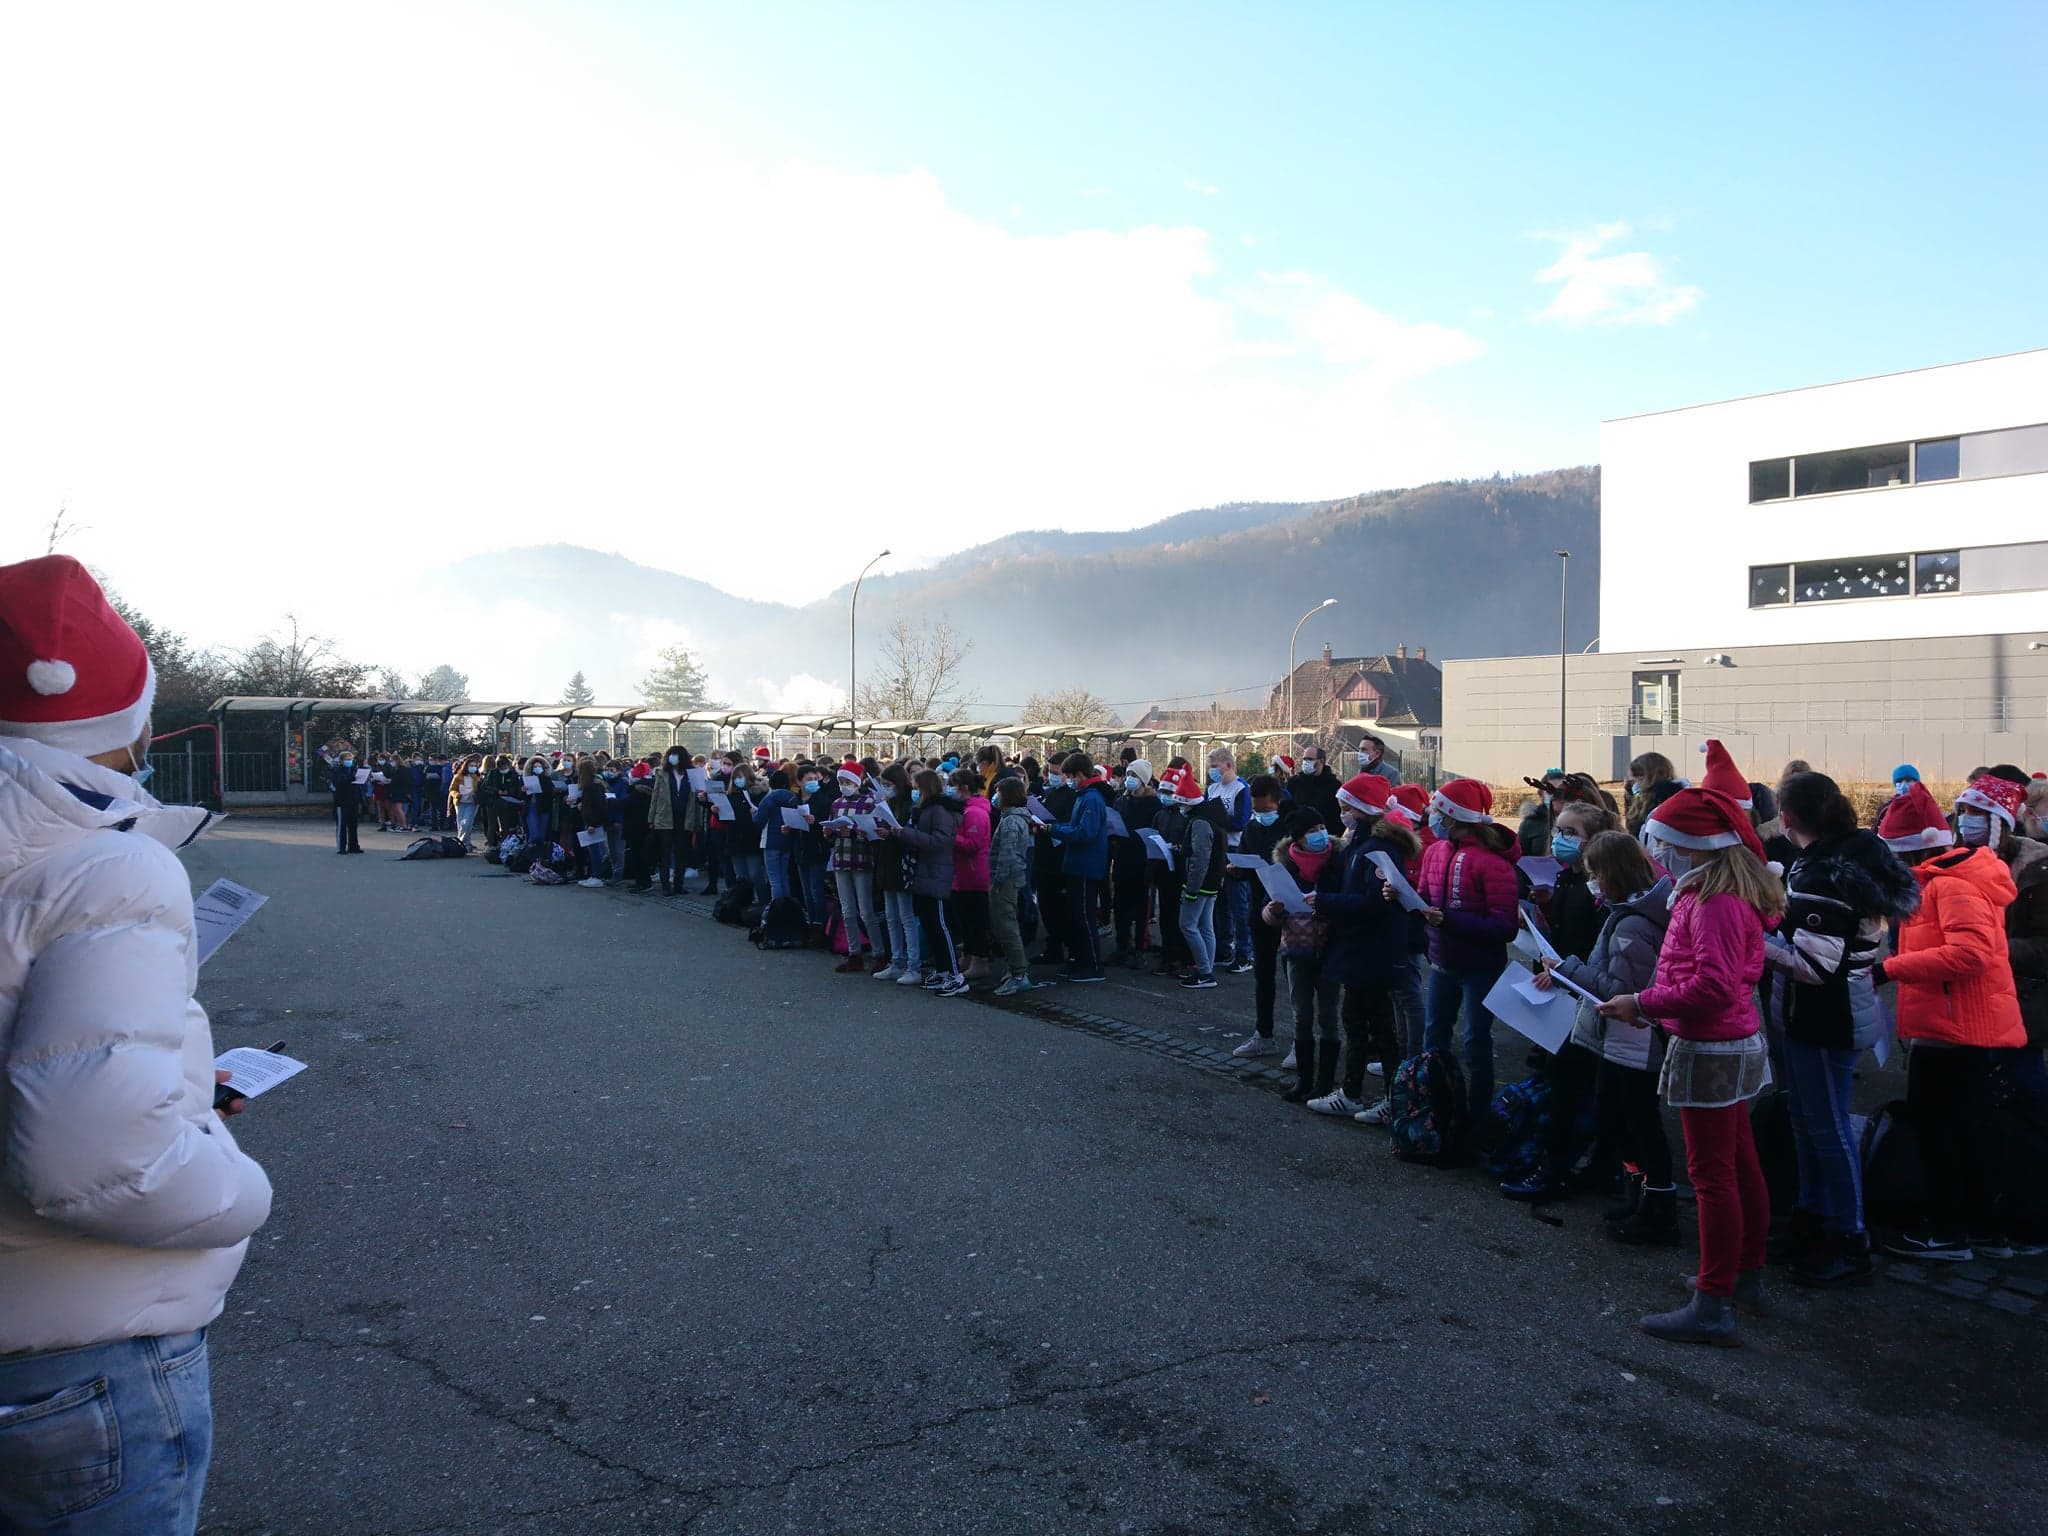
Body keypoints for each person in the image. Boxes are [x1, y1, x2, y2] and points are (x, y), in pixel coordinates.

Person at [0, 554, 274, 1533]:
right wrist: (239, 1186)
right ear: (129, 725)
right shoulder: (112, 869)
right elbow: (100, 1160)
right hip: (79, 1349)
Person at [1597, 785, 1781, 1345]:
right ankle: (1742, 1275)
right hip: (1732, 1041)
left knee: (1712, 1176)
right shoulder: (1720, 892)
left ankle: (1713, 1300)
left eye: (1664, 842)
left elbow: (1712, 986)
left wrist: (1642, 1003)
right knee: (1739, 1164)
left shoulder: (1713, 902)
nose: (1657, 852)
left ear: (1693, 845)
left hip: (1711, 1047)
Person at [1754, 770, 1916, 1284]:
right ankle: (1811, 1217)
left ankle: (1849, 1237)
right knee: (1806, 1120)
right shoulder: (1844, 856)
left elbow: (1815, 966)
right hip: (1817, 1010)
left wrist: (1753, 941)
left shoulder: (1825, 873)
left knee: (1828, 1129)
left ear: (1788, 816)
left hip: (1826, 1015)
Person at [1876, 780, 2027, 1261]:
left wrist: (1889, 969)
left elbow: (1970, 954)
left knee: (1940, 1130)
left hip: (1952, 1028)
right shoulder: (1949, 878)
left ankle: (1947, 1232)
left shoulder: (1950, 884)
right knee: (1966, 1128)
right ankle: (1981, 1229)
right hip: (1956, 1024)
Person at [1540, 830, 1679, 1243]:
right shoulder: (1627, 914)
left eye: (1595, 874)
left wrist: (1568, 969)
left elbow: (1620, 989)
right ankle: (1637, 1193)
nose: (1592, 882)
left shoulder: (1632, 925)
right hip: (1620, 1040)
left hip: (1633, 1041)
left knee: (1639, 1123)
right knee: (1619, 1118)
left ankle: (1657, 1203)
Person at [1313, 776, 1426, 1122]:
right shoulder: (1360, 844)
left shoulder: (1378, 848)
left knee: (1378, 1026)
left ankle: (1390, 1098)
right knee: (1358, 1020)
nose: (1342, 814)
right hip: (1359, 947)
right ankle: (1353, 1091)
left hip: (1372, 950)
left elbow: (1373, 902)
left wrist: (1325, 901)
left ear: (1361, 809)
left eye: (1346, 808)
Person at [1416, 779, 1521, 1123]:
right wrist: (1401, 897)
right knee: (1434, 1038)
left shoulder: (1492, 863)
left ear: (1452, 816)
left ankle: (1477, 1117)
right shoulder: (1435, 852)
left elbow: (1504, 926)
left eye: (1436, 810)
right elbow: (1424, 897)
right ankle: (1435, 1108)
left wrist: (1448, 920)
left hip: (1480, 967)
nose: (1430, 815)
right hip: (1441, 962)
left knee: (1476, 1042)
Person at [892, 768, 968, 996]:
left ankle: (955, 974)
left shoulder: (940, 810)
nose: (914, 791)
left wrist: (905, 833)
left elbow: (940, 842)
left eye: (917, 787)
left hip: (936, 872)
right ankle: (943, 970)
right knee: (928, 923)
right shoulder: (924, 809)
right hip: (923, 872)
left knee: (939, 925)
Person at [1229, 775, 1288, 1058]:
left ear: (1277, 802)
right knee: (1263, 975)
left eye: (1266, 810)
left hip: (1288, 909)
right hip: (1259, 907)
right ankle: (1263, 1034)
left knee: (1296, 979)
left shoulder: (1289, 827)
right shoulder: (1252, 827)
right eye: (1256, 810)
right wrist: (1237, 870)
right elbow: (1245, 859)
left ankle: (1301, 1043)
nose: (1261, 815)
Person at [1043, 752, 1112, 983]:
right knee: (1076, 915)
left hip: (1085, 865)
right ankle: (1081, 961)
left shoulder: (1091, 798)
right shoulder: (1084, 796)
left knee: (1084, 916)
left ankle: (1093, 965)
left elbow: (1084, 832)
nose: (1069, 781)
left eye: (1071, 776)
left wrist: (1054, 829)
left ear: (1080, 774)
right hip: (1077, 864)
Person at [1168, 765, 1227, 988]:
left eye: (1181, 803)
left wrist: (1191, 889)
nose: (1179, 807)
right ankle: (1207, 969)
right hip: (1212, 882)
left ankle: (1204, 971)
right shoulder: (1210, 818)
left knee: (1188, 925)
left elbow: (1200, 857)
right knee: (1205, 926)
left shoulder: (1200, 823)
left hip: (1200, 884)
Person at [828, 765, 884, 973]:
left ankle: (879, 953)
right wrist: (829, 832)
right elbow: (832, 827)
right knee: (847, 910)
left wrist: (855, 831)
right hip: (841, 858)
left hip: (862, 859)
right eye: (841, 782)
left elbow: (874, 830)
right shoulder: (836, 803)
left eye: (847, 782)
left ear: (857, 782)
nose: (844, 786)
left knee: (866, 910)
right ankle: (854, 953)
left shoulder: (869, 802)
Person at [872, 764, 923, 985]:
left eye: (889, 784)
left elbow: (912, 836)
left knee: (906, 917)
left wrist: (893, 833)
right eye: (883, 785)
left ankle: (913, 965)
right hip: (887, 863)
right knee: (891, 916)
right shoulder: (889, 804)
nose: (886, 788)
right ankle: (897, 961)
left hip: (902, 865)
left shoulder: (910, 806)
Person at [988, 777, 1039, 994]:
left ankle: (1019, 973)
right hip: (1011, 878)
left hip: (1006, 881)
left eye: (999, 793)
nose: (995, 797)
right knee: (1006, 924)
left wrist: (997, 882)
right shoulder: (1014, 818)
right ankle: (1015, 968)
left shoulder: (1010, 821)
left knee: (1006, 927)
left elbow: (1007, 856)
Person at [1108, 759, 1159, 965]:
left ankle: (1139, 948)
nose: (1129, 779)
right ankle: (1122, 945)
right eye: (1128, 775)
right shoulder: (1121, 800)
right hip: (1122, 857)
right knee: (1120, 905)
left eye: (1134, 776)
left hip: (1142, 859)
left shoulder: (1153, 804)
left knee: (1140, 907)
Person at [1206, 748, 1253, 970]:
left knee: (1239, 903)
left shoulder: (1241, 788)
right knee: (1220, 902)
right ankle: (1224, 948)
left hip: (1235, 847)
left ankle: (1245, 952)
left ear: (1228, 765)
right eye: (1210, 767)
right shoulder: (1212, 788)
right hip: (1217, 848)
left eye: (1215, 766)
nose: (1212, 771)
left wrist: (1218, 819)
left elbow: (1241, 821)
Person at [948, 766, 994, 981]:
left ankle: (980, 959)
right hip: (962, 873)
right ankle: (968, 955)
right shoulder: (965, 810)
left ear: (964, 788)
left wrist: (951, 836)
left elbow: (973, 845)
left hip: (973, 873)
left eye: (952, 786)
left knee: (976, 921)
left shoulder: (975, 812)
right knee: (965, 919)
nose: (949, 790)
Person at [327, 741, 365, 853]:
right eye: (347, 759)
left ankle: (354, 846)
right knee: (342, 825)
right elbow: (339, 782)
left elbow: (357, 783)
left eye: (350, 759)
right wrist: (351, 778)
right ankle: (341, 847)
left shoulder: (354, 769)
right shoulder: (337, 769)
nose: (349, 761)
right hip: (342, 801)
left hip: (353, 800)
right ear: (342, 760)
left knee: (353, 824)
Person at [1289, 743, 1340, 825]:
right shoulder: (1294, 782)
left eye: (1309, 759)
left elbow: (1336, 815)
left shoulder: (1333, 785)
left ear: (1321, 761)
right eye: (1304, 759)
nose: (1305, 762)